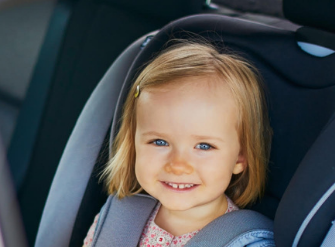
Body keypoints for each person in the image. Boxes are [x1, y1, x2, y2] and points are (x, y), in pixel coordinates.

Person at [82, 40, 272, 247]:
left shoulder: (248, 242)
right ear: (133, 145)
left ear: (240, 157)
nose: (178, 165)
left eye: (204, 146)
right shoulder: (117, 220)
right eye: (160, 142)